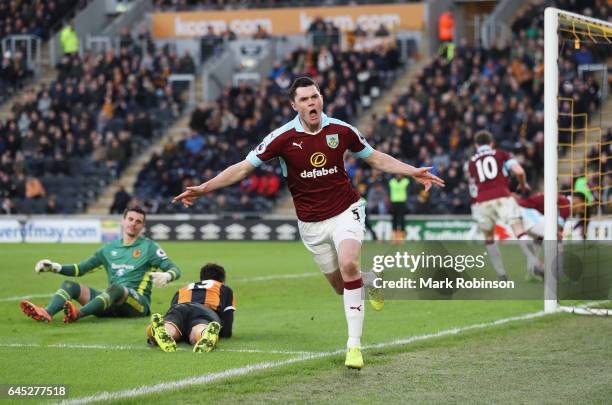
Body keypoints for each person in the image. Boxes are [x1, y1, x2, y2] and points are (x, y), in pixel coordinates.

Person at [172, 77, 444, 369]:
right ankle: (371, 281)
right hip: (311, 224)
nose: (311, 102)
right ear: (294, 105)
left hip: (346, 210)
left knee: (349, 264)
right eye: (304, 99)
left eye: (314, 96)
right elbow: (242, 168)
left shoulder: (342, 130)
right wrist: (204, 188)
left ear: (321, 99)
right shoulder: (281, 137)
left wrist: (412, 171)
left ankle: (354, 345)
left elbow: (375, 158)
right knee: (342, 286)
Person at [20, 207, 180, 323]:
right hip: (109, 301)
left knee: (117, 288)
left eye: (138, 221)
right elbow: (81, 269)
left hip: (138, 305)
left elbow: (174, 269)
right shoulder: (108, 249)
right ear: (123, 221)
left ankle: (78, 314)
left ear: (142, 226)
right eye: (130, 219)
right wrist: (55, 267)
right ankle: (46, 313)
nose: (133, 223)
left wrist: (167, 275)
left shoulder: (149, 247)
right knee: (69, 285)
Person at [467, 130, 541, 280]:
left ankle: (501, 274)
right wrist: (523, 186)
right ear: (491, 143)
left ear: (476, 145)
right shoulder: (501, 154)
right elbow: (519, 171)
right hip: (502, 195)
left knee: (489, 237)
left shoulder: (471, 162)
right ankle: (534, 264)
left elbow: (473, 187)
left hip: (482, 201)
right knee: (519, 230)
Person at [146, 263, 235, 353]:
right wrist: (223, 334)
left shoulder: (183, 289)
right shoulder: (224, 288)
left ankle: (158, 330)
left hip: (179, 308)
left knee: (172, 325)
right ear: (222, 280)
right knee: (200, 327)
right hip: (205, 311)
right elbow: (228, 319)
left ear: (202, 278)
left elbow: (173, 309)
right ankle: (205, 334)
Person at [388, 174, 409, 240]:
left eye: (400, 174)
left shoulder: (406, 181)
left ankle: (402, 237)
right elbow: (389, 192)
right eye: (397, 174)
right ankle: (395, 236)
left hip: (402, 202)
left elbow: (409, 191)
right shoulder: (391, 182)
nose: (399, 176)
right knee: (394, 219)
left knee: (402, 219)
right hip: (394, 202)